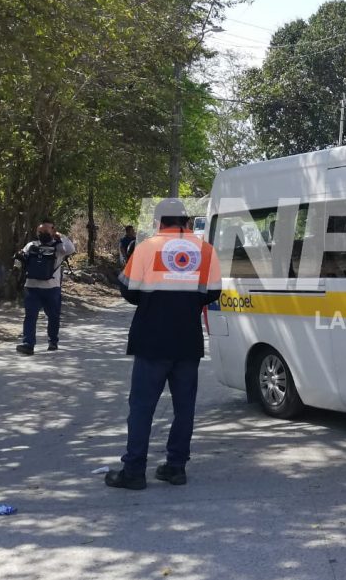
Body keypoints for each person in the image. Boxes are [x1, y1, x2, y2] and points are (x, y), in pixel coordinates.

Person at [105, 198, 221, 491]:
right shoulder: (205, 250)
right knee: (184, 408)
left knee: (142, 407)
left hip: (151, 340)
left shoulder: (146, 247)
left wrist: (153, 300)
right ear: (185, 221)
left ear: (158, 221)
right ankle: (176, 467)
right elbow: (213, 292)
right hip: (187, 340)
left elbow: (128, 291)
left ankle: (133, 471)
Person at [15, 221, 75, 355]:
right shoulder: (31, 245)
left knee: (53, 316)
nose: (42, 235)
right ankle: (28, 344)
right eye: (40, 232)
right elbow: (20, 260)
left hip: (51, 288)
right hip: (31, 287)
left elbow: (71, 249)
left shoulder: (59, 248)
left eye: (46, 232)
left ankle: (53, 341)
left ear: (53, 231)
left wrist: (61, 236)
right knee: (30, 316)